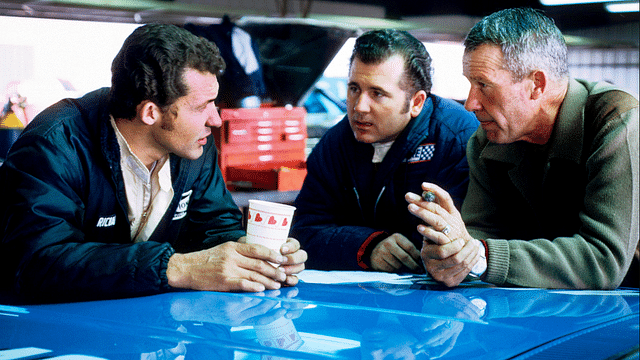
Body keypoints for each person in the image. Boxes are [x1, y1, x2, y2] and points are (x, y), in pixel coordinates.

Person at [0, 23, 307, 303]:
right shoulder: (54, 146)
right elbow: (34, 264)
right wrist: (173, 267)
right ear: (150, 113)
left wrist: (255, 259)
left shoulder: (193, 147)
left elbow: (215, 230)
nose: (215, 120)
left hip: (150, 328)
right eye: (202, 107)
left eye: (215, 103)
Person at [405, 8, 639, 289]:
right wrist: (449, 255)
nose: (470, 104)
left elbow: (604, 260)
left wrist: (478, 256)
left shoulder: (616, 120)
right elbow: (478, 239)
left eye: (484, 85)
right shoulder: (486, 142)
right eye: (470, 84)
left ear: (536, 85)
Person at [290, 29, 479, 272]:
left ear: (417, 102)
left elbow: (472, 239)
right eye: (354, 88)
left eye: (377, 94)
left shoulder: (458, 140)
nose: (359, 107)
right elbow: (303, 233)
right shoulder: (335, 145)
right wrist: (367, 247)